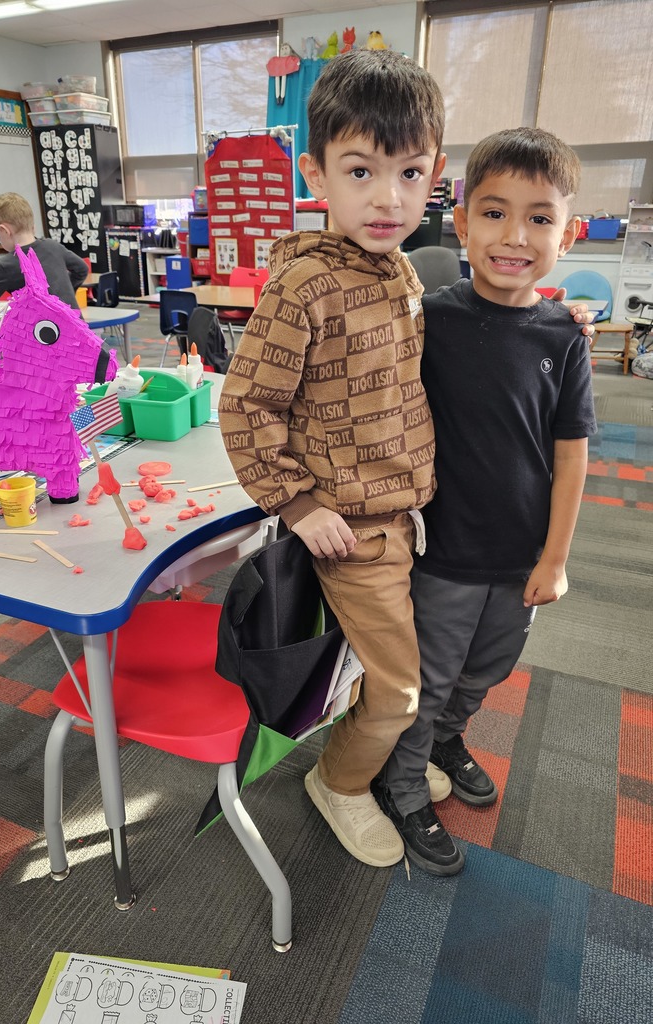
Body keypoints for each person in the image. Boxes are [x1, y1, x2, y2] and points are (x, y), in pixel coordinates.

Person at [219, 49, 448, 869]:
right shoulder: (304, 286)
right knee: (400, 689)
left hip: (406, 516)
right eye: (360, 171)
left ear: (436, 173)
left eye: (409, 173)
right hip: (349, 527)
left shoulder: (401, 270)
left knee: (400, 671)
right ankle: (342, 782)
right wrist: (298, 505)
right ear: (316, 173)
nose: (388, 198)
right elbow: (246, 405)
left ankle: (375, 751)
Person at [372, 127, 597, 877]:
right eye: (495, 213)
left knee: (488, 669)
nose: (516, 236)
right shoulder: (427, 317)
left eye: (541, 219)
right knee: (428, 678)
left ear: (568, 235)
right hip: (444, 550)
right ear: (462, 223)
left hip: (522, 553)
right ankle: (401, 784)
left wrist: (557, 557)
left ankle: (445, 740)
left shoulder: (565, 335)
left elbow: (571, 453)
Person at [0, 192, 88, 323]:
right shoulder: (53, 246)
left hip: (46, 338)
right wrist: (65, 293)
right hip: (78, 331)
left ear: (5, 231)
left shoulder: (7, 264)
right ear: (32, 227)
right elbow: (81, 269)